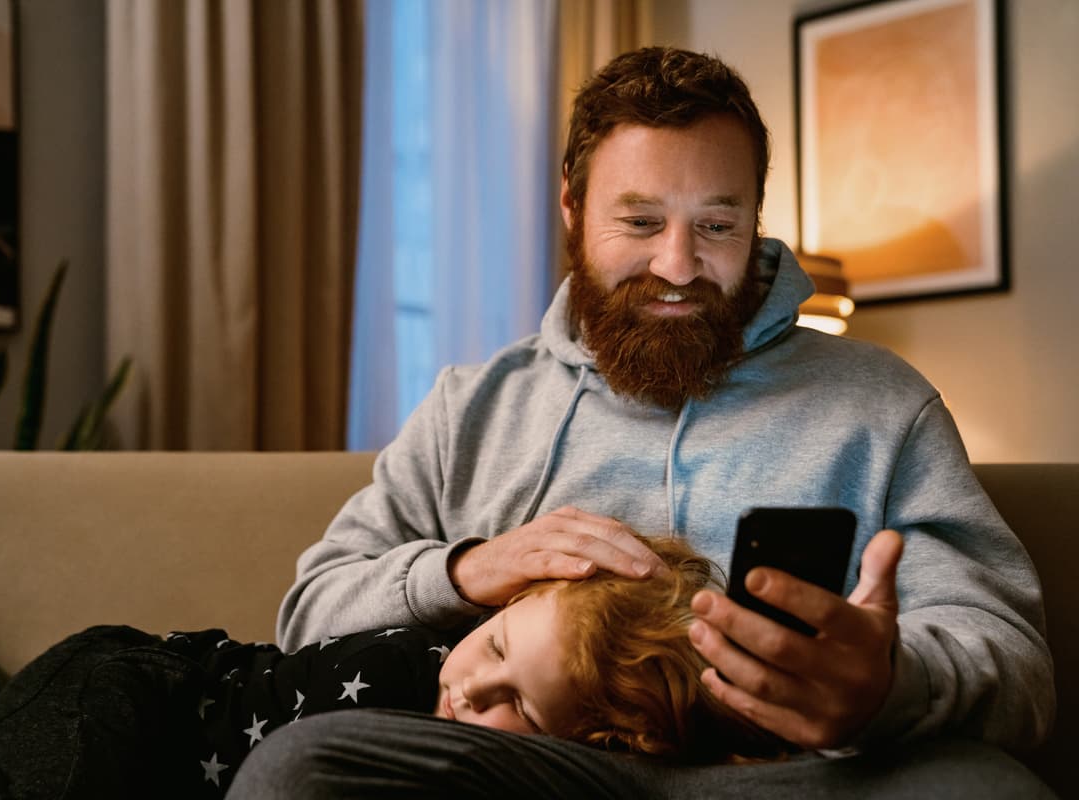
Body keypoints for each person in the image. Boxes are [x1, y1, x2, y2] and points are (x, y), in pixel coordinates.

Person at [230, 46, 1057, 798]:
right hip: (536, 772)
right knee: (301, 768)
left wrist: (885, 686)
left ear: (755, 220)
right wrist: (471, 569)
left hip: (791, 777)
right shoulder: (471, 405)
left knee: (988, 788)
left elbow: (1017, 669)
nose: (677, 264)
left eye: (716, 226)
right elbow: (309, 611)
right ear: (572, 209)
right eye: (640, 221)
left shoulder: (880, 403)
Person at [0, 537, 780, 799]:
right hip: (124, 691)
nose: (471, 689)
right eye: (495, 648)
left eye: (519, 709)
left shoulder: (480, 766)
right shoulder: (409, 685)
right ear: (502, 610)